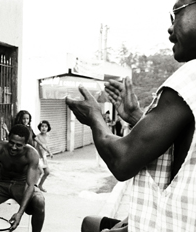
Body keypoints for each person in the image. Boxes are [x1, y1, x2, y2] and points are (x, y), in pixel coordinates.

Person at [67, 1, 196, 230]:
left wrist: (95, 117)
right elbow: (184, 146)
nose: (170, 28)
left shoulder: (190, 77)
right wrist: (137, 116)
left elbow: (122, 161)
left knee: (91, 226)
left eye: (175, 14)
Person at [35, 120, 53, 192]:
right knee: (40, 171)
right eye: (42, 126)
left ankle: (40, 185)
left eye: (46, 126)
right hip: (38, 157)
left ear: (48, 128)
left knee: (47, 172)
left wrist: (50, 152)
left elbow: (47, 146)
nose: (44, 128)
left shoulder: (48, 136)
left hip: (44, 157)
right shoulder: (37, 137)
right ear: (40, 127)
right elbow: (40, 146)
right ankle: (33, 186)